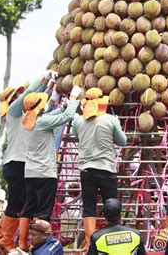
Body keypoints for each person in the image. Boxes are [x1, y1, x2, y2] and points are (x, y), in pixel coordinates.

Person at [0, 70, 54, 254]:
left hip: (17, 164)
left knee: (18, 202)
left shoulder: (25, 116)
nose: (20, 95)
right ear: (12, 100)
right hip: (17, 163)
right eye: (16, 95)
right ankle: (6, 241)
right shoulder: (13, 111)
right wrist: (43, 78)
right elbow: (29, 96)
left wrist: (49, 86)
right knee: (18, 203)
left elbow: (37, 101)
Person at [19, 85, 81, 251]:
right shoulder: (42, 123)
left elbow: (50, 115)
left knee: (29, 208)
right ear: (39, 108)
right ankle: (39, 247)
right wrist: (74, 98)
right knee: (43, 212)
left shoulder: (25, 120)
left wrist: (61, 106)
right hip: (45, 173)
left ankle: (23, 243)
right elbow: (67, 117)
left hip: (30, 172)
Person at [72, 88, 127, 249]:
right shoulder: (110, 119)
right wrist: (116, 123)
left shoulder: (78, 121)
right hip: (107, 169)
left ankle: (90, 244)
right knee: (111, 206)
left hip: (87, 170)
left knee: (89, 207)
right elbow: (122, 141)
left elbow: (77, 137)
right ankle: (112, 243)